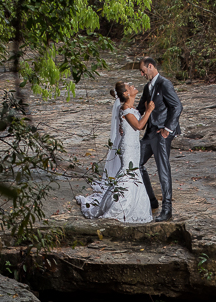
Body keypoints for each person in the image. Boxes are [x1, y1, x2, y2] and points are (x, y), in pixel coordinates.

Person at [74, 82, 155, 223]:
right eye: (130, 86)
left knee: (133, 172)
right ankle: (119, 205)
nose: (133, 86)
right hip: (128, 147)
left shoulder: (131, 108)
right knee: (127, 172)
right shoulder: (125, 109)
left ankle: (134, 205)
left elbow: (136, 125)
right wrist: (148, 111)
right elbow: (139, 126)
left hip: (134, 146)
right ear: (126, 93)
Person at [137, 57, 183, 222]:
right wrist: (124, 115)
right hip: (149, 133)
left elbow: (177, 106)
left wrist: (167, 129)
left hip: (162, 133)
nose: (142, 74)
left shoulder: (165, 84)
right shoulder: (147, 87)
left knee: (163, 169)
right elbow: (139, 109)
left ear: (150, 66)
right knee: (136, 163)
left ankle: (167, 209)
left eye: (143, 71)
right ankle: (151, 200)